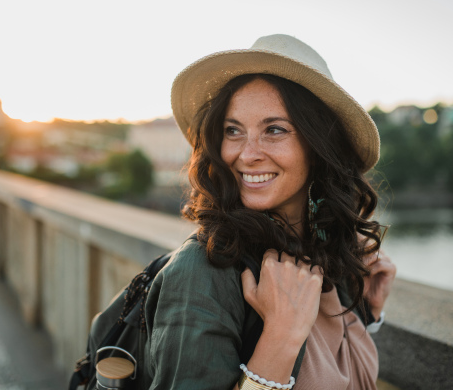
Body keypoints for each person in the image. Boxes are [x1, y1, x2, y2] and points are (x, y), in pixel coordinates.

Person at [142, 34, 396, 390]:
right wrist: (280, 338)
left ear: (319, 145)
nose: (247, 154)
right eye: (233, 131)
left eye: (274, 130)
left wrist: (364, 313)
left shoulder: (322, 259)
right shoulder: (203, 273)